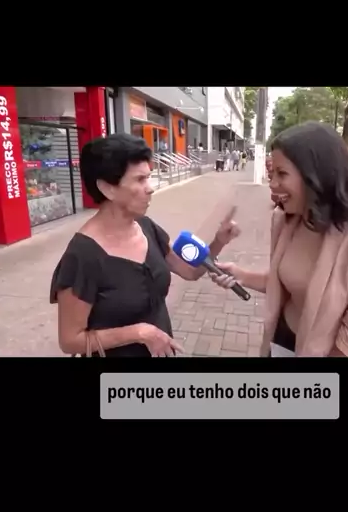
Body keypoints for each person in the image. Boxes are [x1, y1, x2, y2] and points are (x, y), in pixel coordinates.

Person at [211, 122, 348, 357]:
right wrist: (241, 275)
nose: (273, 184)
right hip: (281, 341)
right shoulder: (286, 221)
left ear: (315, 176)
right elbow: (289, 283)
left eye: (282, 174)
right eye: (272, 173)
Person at [50, 134, 240, 357]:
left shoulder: (146, 227)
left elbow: (190, 271)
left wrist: (219, 241)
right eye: (140, 180)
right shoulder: (83, 255)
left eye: (148, 177)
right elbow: (70, 341)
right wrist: (139, 333)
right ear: (107, 188)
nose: (150, 188)